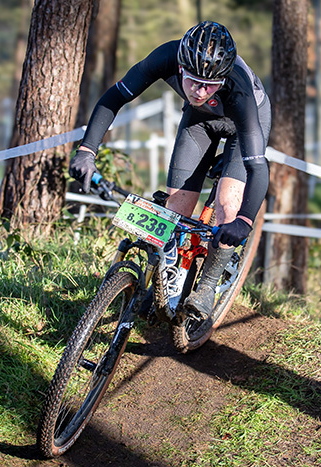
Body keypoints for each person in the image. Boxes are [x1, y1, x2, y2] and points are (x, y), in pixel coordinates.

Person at [69, 21, 271, 321]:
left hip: (243, 127)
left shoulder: (239, 91)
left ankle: (207, 288)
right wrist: (86, 151)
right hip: (199, 121)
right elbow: (115, 97)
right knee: (176, 209)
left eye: (211, 84)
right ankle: (171, 279)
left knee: (227, 203)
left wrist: (243, 220)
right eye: (193, 81)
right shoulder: (166, 57)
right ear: (180, 69)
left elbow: (257, 166)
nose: (201, 90)